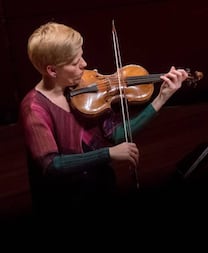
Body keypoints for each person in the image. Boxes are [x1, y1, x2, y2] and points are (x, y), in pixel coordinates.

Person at [19, 22, 188, 217]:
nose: (84, 64)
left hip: (101, 187)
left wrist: (161, 98)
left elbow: (116, 134)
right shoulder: (34, 108)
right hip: (67, 203)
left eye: (81, 56)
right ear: (52, 71)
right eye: (75, 62)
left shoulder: (85, 87)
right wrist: (108, 154)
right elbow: (52, 165)